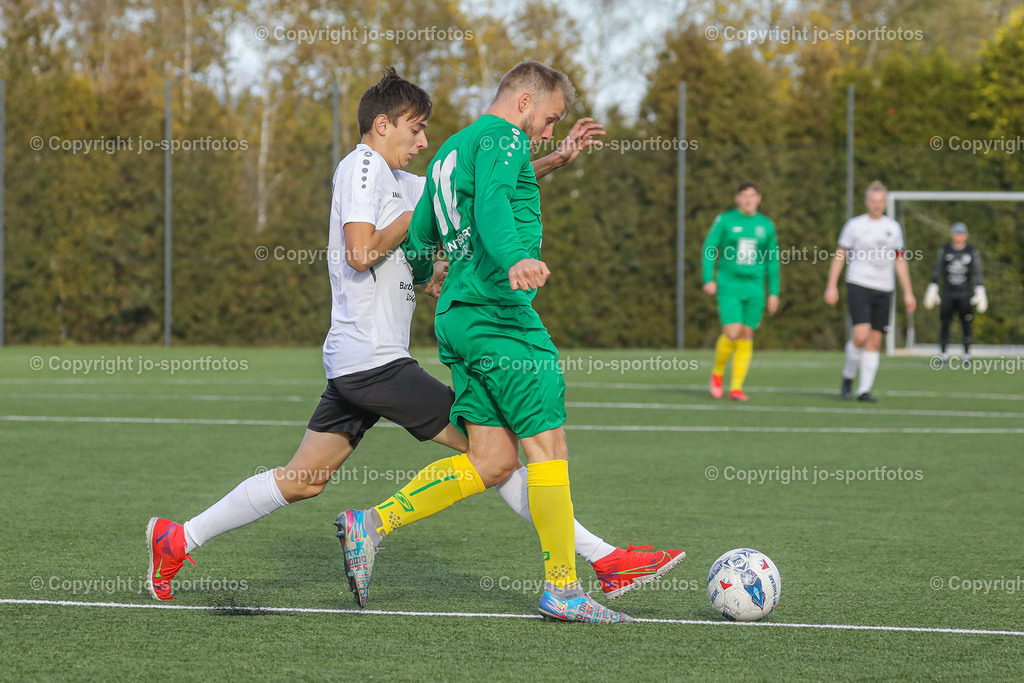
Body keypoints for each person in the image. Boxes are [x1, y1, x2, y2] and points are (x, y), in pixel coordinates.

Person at [145, 68, 682, 608]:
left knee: (304, 479)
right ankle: (599, 559)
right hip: (374, 360)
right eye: (415, 128)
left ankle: (178, 537)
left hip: (360, 363)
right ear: (382, 124)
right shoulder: (361, 168)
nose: (423, 141)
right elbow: (361, 250)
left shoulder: (405, 179)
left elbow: (474, 194)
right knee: (494, 457)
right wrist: (415, 220)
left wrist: (552, 162)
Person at [339, 61, 676, 625]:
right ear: (523, 102)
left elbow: (422, 230)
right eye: (548, 119)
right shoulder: (502, 136)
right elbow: (494, 201)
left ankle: (371, 525)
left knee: (493, 460)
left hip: (459, 320)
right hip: (500, 317)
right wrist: (515, 255)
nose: (546, 131)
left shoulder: (451, 150)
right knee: (548, 447)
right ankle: (564, 589)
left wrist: (430, 275)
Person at [824, 181, 916, 402]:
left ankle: (864, 390)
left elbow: (900, 260)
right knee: (861, 334)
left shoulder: (893, 227)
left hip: (885, 287)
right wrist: (831, 285)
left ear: (885, 203)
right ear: (866, 202)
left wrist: (908, 292)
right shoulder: (854, 225)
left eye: (880, 201)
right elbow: (840, 254)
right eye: (873, 201)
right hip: (859, 283)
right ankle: (848, 376)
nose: (877, 205)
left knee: (875, 340)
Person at [701, 181, 780, 401]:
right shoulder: (725, 220)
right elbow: (709, 248)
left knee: (747, 334)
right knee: (732, 333)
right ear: (737, 198)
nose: (748, 199)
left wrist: (774, 292)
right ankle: (717, 373)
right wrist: (708, 278)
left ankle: (736, 387)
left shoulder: (766, 225)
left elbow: (772, 260)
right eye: (744, 195)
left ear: (759, 198)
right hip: (729, 284)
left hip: (755, 286)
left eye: (752, 195)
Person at [923, 222, 986, 364]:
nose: (959, 236)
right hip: (948, 293)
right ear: (952, 235)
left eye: (962, 234)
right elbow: (937, 269)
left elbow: (977, 271)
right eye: (957, 233)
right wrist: (933, 285)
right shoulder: (945, 250)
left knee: (966, 324)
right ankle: (943, 353)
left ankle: (966, 355)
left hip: (965, 293)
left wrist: (980, 288)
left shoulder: (971, 251)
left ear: (966, 235)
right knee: (945, 323)